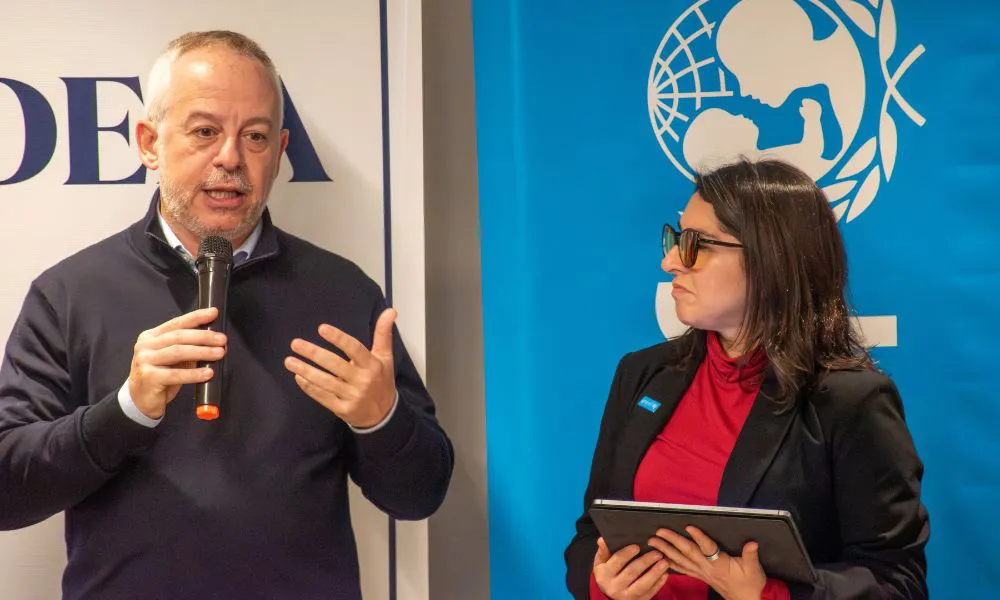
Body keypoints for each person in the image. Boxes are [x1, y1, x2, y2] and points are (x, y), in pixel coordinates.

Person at [0, 31, 453, 600]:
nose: (231, 158)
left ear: (280, 150)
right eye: (205, 131)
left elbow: (420, 495)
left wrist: (380, 421)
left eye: (255, 136)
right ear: (149, 143)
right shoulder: (70, 294)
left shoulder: (342, 293)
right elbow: (8, 493)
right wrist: (124, 412)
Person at [564, 158, 928, 600]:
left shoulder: (851, 399)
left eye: (696, 244)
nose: (670, 261)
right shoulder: (642, 373)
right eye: (676, 238)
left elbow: (897, 582)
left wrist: (769, 595)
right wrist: (602, 583)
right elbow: (592, 532)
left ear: (770, 257)